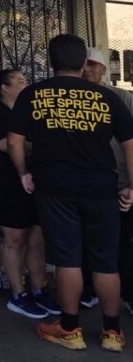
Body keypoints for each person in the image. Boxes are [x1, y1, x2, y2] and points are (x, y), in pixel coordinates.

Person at [7, 34, 133, 352]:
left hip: (55, 188)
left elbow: (13, 141)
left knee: (68, 259)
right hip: (102, 188)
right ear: (84, 64)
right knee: (106, 262)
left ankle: (70, 329)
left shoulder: (34, 94)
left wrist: (23, 173)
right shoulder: (108, 98)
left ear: (51, 62)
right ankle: (113, 333)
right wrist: (132, 185)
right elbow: (131, 145)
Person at [0, 69, 59, 319]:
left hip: (38, 183)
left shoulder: (30, 112)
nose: (26, 85)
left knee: (38, 240)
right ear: (4, 87)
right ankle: (18, 294)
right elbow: (8, 145)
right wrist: (45, 147)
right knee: (15, 240)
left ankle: (39, 288)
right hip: (9, 185)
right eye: (21, 81)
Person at [80, 47, 133, 315]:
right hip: (88, 182)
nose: (88, 69)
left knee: (123, 241)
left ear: (103, 69)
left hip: (121, 182)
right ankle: (89, 291)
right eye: (84, 65)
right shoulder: (72, 98)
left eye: (93, 64)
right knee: (87, 239)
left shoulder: (122, 97)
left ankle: (127, 293)